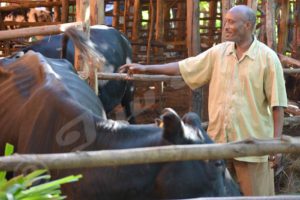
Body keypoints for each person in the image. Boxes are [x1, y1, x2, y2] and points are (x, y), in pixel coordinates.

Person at [119, 5, 287, 196]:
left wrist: (276, 145)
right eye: (225, 22)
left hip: (253, 147)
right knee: (218, 195)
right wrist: (145, 68)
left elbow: (277, 105)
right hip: (219, 146)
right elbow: (183, 67)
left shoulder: (267, 58)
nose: (226, 26)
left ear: (248, 25)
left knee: (255, 197)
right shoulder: (219, 53)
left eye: (231, 22)